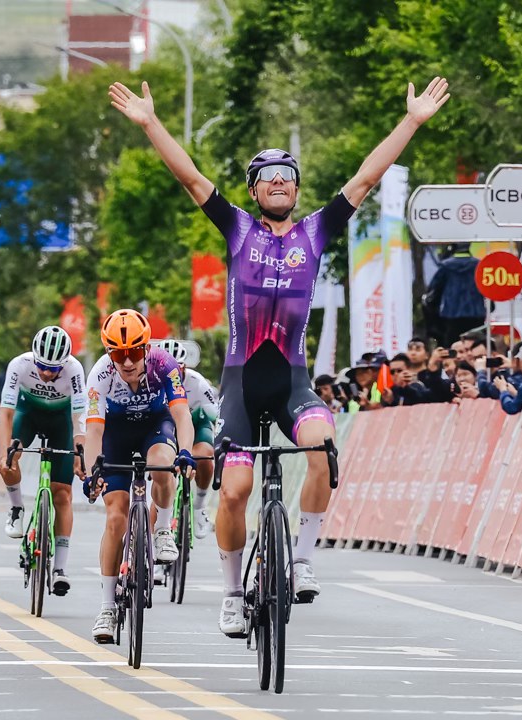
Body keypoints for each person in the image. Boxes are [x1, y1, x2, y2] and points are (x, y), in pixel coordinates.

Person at [110, 73, 450, 637]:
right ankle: (231, 593)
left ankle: (302, 558)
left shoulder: (315, 231)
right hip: (242, 386)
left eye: (286, 177)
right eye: (266, 177)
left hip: (292, 381)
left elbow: (367, 178)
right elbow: (190, 176)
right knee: (236, 491)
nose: (277, 183)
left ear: (296, 188)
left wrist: (411, 121)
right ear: (253, 189)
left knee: (322, 447)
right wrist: (150, 124)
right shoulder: (237, 228)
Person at [82, 309, 196, 643]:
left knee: (163, 461)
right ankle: (106, 607)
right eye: (119, 354)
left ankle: (162, 531)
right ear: (109, 353)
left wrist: (185, 451)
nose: (127, 361)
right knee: (116, 518)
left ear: (146, 348)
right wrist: (92, 474)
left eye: (134, 352)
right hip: (115, 434)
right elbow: (92, 432)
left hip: (154, 426)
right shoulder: (100, 375)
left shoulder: (164, 364)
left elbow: (182, 415)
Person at [0, 326, 86, 597]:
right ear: (34, 357)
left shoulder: (75, 370)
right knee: (10, 460)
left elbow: (79, 421)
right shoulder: (19, 365)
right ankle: (16, 509)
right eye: (43, 366)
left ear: (65, 362)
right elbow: (7, 415)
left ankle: (60, 569)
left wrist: (82, 456)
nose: (47, 373)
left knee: (63, 494)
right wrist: (4, 454)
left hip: (61, 423)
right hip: (28, 414)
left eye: (54, 369)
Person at [156, 338, 217, 539]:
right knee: (161, 479)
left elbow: (216, 415)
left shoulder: (197, 383)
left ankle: (199, 507)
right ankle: (151, 545)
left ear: (184, 367)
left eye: (177, 369)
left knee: (206, 456)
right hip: (167, 427)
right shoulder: (151, 383)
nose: (171, 374)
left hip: (197, 424)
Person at [425, 243, 485, 345]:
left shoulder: (445, 266)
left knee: (452, 347)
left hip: (451, 314)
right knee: (476, 345)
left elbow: (434, 289)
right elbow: (486, 287)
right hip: (476, 313)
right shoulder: (479, 265)